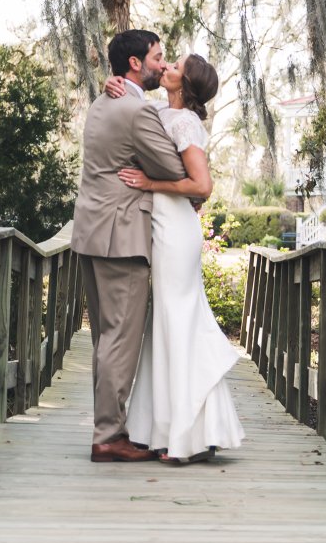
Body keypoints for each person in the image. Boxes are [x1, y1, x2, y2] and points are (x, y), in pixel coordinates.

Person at [101, 54, 246, 462]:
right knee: (166, 323)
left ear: (186, 83)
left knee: (178, 322)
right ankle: (170, 429)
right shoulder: (161, 110)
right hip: (161, 226)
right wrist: (108, 86)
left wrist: (150, 182)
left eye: (175, 66)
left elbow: (203, 184)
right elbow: (129, 107)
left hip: (178, 232)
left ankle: (190, 436)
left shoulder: (185, 123)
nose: (166, 68)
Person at [71, 30, 188, 463]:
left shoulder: (103, 101)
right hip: (121, 236)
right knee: (121, 339)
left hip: (91, 231)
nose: (163, 64)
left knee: (106, 338)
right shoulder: (137, 110)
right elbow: (176, 168)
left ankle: (110, 428)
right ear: (135, 64)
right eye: (158, 57)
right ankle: (107, 436)